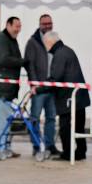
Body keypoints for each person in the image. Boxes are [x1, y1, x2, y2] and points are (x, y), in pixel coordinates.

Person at [44, 31, 89, 161]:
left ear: (50, 42)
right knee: (79, 126)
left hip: (68, 98)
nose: (45, 47)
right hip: (79, 96)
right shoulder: (67, 50)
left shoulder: (60, 54)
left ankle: (68, 153)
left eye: (45, 43)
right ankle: (81, 151)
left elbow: (56, 77)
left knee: (66, 127)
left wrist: (40, 87)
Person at [0, 17, 25, 161]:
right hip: (0, 87)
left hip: (6, 87)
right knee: (4, 118)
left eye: (20, 26)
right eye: (16, 26)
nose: (18, 29)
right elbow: (3, 59)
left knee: (2, 118)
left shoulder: (10, 39)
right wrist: (23, 62)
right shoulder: (2, 39)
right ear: (8, 25)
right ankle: (0, 148)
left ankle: (1, 147)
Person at [23, 13, 58, 158]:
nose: (47, 26)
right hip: (38, 88)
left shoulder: (54, 39)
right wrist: (34, 83)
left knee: (51, 117)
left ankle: (50, 145)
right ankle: (37, 145)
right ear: (39, 24)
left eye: (49, 23)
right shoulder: (33, 42)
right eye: (45, 24)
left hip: (52, 87)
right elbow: (29, 64)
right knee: (35, 117)